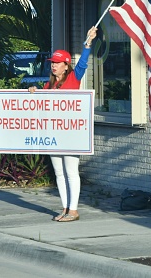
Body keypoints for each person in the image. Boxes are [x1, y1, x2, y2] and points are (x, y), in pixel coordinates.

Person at [29, 26, 98, 222]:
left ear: (66, 65)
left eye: (58, 63)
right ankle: (65, 208)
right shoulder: (47, 85)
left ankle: (74, 210)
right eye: (53, 63)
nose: (54, 66)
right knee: (59, 172)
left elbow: (83, 63)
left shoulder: (74, 78)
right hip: (54, 133)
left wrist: (88, 42)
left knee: (70, 171)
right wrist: (33, 92)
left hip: (71, 133)